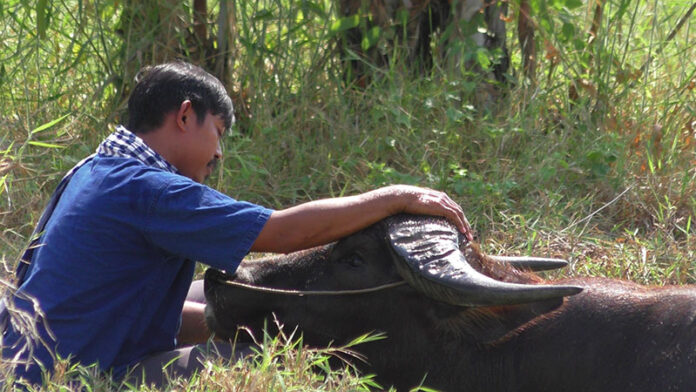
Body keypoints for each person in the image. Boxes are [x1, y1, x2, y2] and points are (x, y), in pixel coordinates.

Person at [0, 61, 472, 386]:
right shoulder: (151, 191)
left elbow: (131, 303)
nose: (220, 153)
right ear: (186, 115)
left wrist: (241, 318)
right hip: (78, 377)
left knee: (217, 294)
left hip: (25, 359)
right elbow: (284, 233)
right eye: (218, 133)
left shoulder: (92, 170)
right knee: (254, 362)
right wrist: (394, 198)